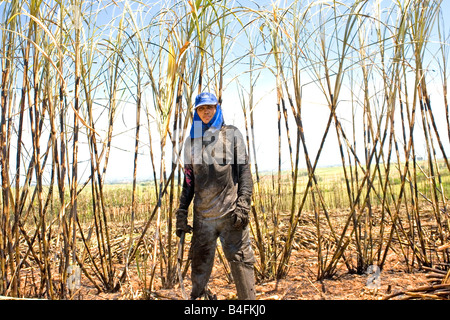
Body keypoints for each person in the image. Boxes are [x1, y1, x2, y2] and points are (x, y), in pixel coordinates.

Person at [175, 92, 256, 300]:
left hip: (231, 214)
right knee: (199, 267)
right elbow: (189, 182)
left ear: (217, 107)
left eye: (209, 107)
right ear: (196, 112)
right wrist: (182, 212)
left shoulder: (231, 135)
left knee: (241, 262)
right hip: (203, 218)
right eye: (201, 108)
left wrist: (243, 204)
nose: (206, 111)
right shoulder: (191, 143)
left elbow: (245, 172)